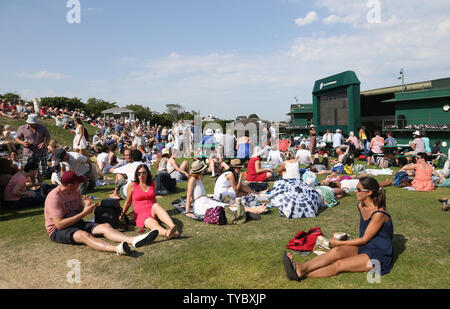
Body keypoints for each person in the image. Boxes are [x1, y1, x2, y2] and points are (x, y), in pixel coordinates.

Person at [283, 176, 394, 281]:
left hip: (379, 254)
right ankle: (302, 267)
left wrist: (339, 242)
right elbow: (365, 240)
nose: (355, 191)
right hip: (365, 246)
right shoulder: (361, 205)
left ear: (369, 192)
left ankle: (301, 273)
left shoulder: (379, 214)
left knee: (339, 264)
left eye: (358, 189)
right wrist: (340, 244)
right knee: (336, 251)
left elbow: (365, 239)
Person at [44, 171, 158, 255]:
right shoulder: (54, 197)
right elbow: (59, 225)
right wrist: (84, 213)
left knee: (105, 226)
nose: (80, 185)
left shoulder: (75, 192)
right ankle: (117, 249)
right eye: (77, 183)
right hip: (58, 230)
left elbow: (78, 211)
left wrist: (86, 206)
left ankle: (133, 240)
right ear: (70, 185)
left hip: (76, 222)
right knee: (83, 235)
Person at [185, 160, 267, 218]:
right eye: (238, 168)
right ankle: (254, 209)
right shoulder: (192, 179)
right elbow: (189, 196)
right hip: (202, 203)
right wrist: (188, 211)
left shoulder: (198, 178)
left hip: (206, 200)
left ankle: (254, 209)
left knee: (226, 206)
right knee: (225, 208)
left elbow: (194, 194)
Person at [122, 164, 179, 239]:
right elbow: (128, 202)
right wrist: (122, 214)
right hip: (141, 214)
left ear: (147, 173)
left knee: (156, 205)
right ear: (136, 174)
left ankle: (173, 227)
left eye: (143, 173)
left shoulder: (152, 183)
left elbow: (153, 199)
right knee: (153, 223)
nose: (141, 175)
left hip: (152, 210)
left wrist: (158, 212)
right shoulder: (132, 185)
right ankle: (167, 233)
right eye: (139, 173)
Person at [15, 114, 50, 184]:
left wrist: (44, 143)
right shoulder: (22, 128)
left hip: (41, 153)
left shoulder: (42, 128)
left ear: (36, 123)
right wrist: (23, 143)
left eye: (32, 124)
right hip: (28, 153)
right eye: (29, 123)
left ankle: (40, 186)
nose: (30, 125)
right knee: (28, 171)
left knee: (41, 171)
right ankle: (33, 185)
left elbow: (48, 137)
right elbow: (16, 138)